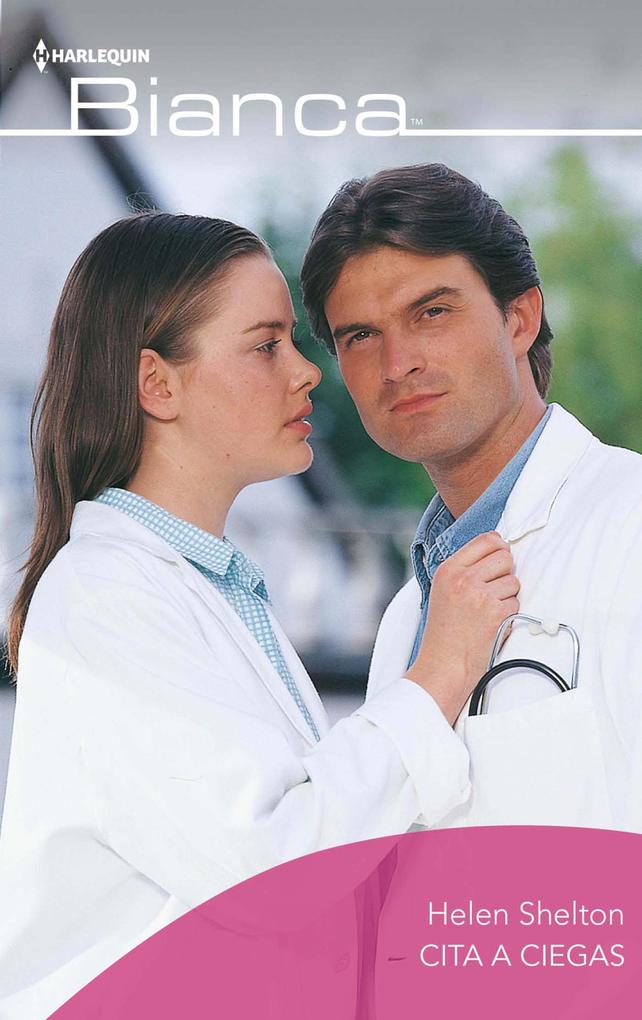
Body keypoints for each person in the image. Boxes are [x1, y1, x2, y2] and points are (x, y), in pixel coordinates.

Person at [0, 212, 518, 1018]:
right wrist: (439, 674)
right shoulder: (105, 596)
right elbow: (273, 874)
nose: (308, 373)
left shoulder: (217, 591)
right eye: (266, 345)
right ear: (157, 385)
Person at [301, 162, 642, 832]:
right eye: (361, 336)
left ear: (520, 318)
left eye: (431, 312)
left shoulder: (629, 526)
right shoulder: (407, 620)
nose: (398, 363)